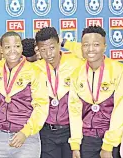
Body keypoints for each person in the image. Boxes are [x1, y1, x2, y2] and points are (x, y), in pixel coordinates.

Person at [68, 26, 123, 158]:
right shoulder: (77, 74)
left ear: (105, 46)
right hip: (87, 140)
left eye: (96, 44)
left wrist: (108, 145)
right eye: (86, 45)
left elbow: (122, 109)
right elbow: (74, 111)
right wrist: (75, 143)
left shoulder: (120, 71)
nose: (91, 49)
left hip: (112, 139)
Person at [0, 32, 49, 158]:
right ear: (1, 50)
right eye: (7, 47)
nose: (12, 51)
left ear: (21, 47)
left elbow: (41, 107)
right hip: (0, 137)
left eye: (16, 46)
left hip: (27, 138)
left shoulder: (35, 71)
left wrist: (25, 133)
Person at [33, 27, 83, 158]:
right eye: (43, 50)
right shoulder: (35, 69)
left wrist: (65, 42)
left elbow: (89, 52)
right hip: (46, 131)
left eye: (52, 47)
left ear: (58, 44)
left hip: (71, 130)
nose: (48, 53)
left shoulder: (75, 63)